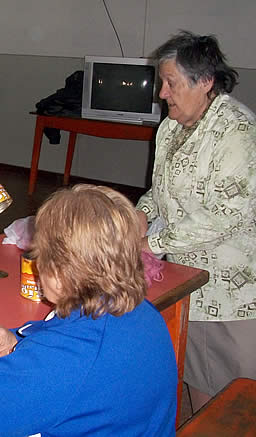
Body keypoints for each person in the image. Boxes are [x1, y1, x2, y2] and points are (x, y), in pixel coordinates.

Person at [0, 185, 177, 437]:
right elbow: (70, 341)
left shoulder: (65, 359)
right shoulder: (141, 311)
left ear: (61, 272)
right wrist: (18, 339)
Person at [136, 30, 256, 412]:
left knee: (237, 391)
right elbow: (159, 190)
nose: (162, 93)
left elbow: (228, 214)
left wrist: (152, 243)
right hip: (187, 280)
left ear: (205, 82)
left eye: (170, 83)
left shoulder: (238, 131)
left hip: (232, 290)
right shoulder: (170, 127)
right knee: (198, 372)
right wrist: (140, 215)